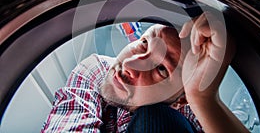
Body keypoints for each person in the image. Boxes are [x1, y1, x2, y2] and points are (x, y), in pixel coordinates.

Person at [42, 12, 249, 133]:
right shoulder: (97, 69)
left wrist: (204, 98)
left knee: (155, 117)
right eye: (143, 43)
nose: (130, 64)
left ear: (181, 99)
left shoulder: (190, 108)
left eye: (161, 69)